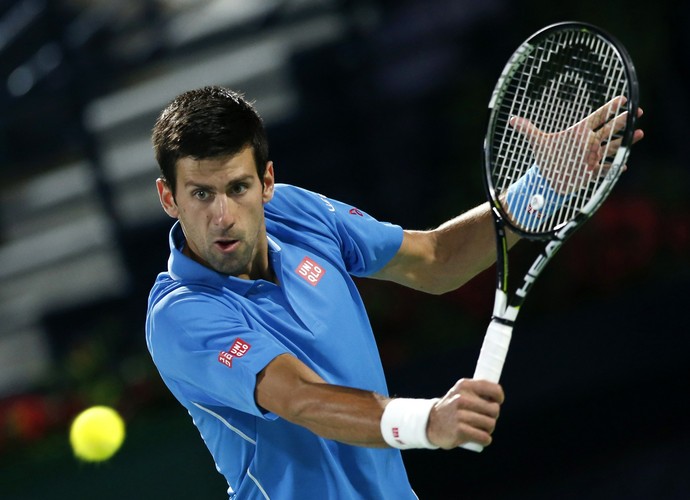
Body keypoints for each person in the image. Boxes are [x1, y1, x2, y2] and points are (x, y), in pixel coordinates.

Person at [145, 86, 642, 499]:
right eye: (201, 194)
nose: (223, 216)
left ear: (267, 182)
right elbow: (300, 399)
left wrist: (546, 186)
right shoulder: (179, 315)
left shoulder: (297, 214)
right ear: (170, 198)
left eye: (238, 188)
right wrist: (430, 420)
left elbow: (435, 260)